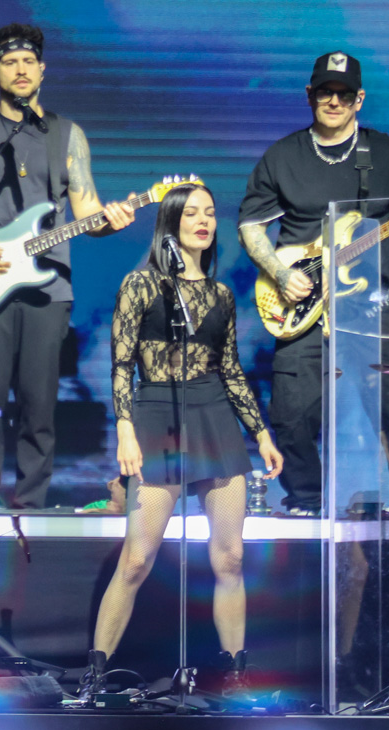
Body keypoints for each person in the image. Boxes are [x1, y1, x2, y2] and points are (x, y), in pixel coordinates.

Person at [0, 22, 136, 509]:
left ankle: (31, 505)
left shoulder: (68, 136)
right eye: (10, 62)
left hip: (48, 289)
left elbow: (87, 211)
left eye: (29, 62)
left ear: (42, 70)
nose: (20, 69)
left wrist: (112, 221)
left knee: (40, 404)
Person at [80, 185, 284, 699]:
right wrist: (125, 429)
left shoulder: (221, 295)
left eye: (210, 213)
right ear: (170, 223)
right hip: (155, 417)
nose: (203, 221)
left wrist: (261, 434)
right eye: (191, 213)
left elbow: (231, 369)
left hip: (214, 417)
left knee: (230, 557)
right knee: (136, 560)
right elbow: (121, 364)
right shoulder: (141, 284)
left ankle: (236, 675)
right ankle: (95, 675)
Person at [238, 52, 389, 517]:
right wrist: (281, 273)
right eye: (325, 92)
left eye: (344, 94)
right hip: (300, 300)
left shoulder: (387, 154)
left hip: (369, 303)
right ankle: (305, 501)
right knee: (291, 411)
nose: (334, 101)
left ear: (359, 99)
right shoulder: (282, 156)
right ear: (309, 95)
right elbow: (251, 224)